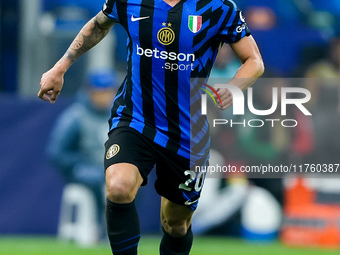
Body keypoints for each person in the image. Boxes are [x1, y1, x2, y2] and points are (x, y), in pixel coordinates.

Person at [38, 0, 264, 254]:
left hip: (187, 132)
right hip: (134, 119)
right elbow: (99, 25)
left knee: (176, 224)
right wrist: (60, 67)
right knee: (119, 187)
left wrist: (233, 87)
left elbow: (254, 60)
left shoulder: (219, 7)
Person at [47, 69, 117, 242]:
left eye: (108, 92)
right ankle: (97, 228)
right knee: (98, 180)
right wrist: (79, 164)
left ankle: (122, 229)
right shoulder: (75, 117)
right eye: (100, 92)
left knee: (130, 181)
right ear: (89, 92)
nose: (104, 96)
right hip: (82, 169)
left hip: (109, 169)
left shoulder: (118, 115)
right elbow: (56, 152)